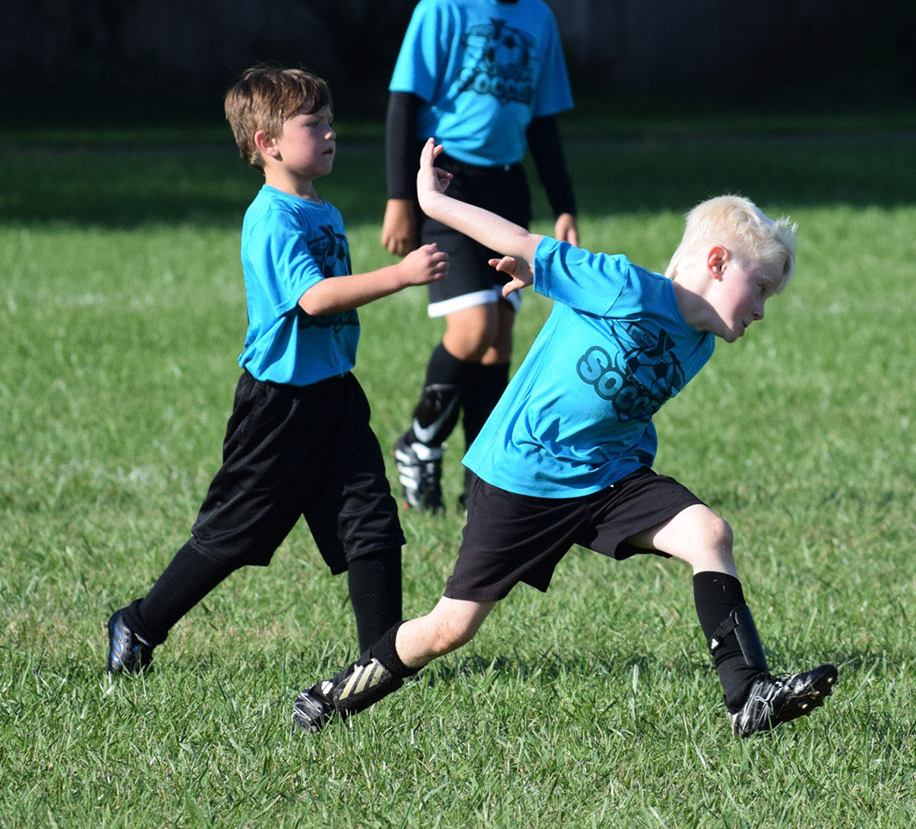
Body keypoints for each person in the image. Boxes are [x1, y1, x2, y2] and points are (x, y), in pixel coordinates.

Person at [292, 139, 838, 738]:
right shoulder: (623, 286)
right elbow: (520, 240)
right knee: (450, 629)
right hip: (523, 474)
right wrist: (432, 202)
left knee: (710, 534)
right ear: (717, 262)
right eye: (760, 288)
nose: (762, 310)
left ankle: (749, 694)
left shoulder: (700, 343)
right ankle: (329, 698)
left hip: (607, 477)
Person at [103, 67, 447, 680]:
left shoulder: (322, 209)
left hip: (335, 398)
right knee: (233, 534)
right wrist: (399, 276)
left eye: (330, 121)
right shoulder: (272, 217)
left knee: (371, 524)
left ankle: (380, 666)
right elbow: (313, 299)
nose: (331, 133)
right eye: (314, 124)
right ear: (268, 143)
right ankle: (139, 624)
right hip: (278, 407)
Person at [381, 0, 579, 513]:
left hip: (508, 189)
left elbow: (544, 124)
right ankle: (419, 443)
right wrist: (401, 197)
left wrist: (564, 206)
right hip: (448, 184)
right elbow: (404, 104)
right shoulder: (442, 7)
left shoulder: (539, 18)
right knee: (471, 329)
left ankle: (483, 480)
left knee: (498, 341)